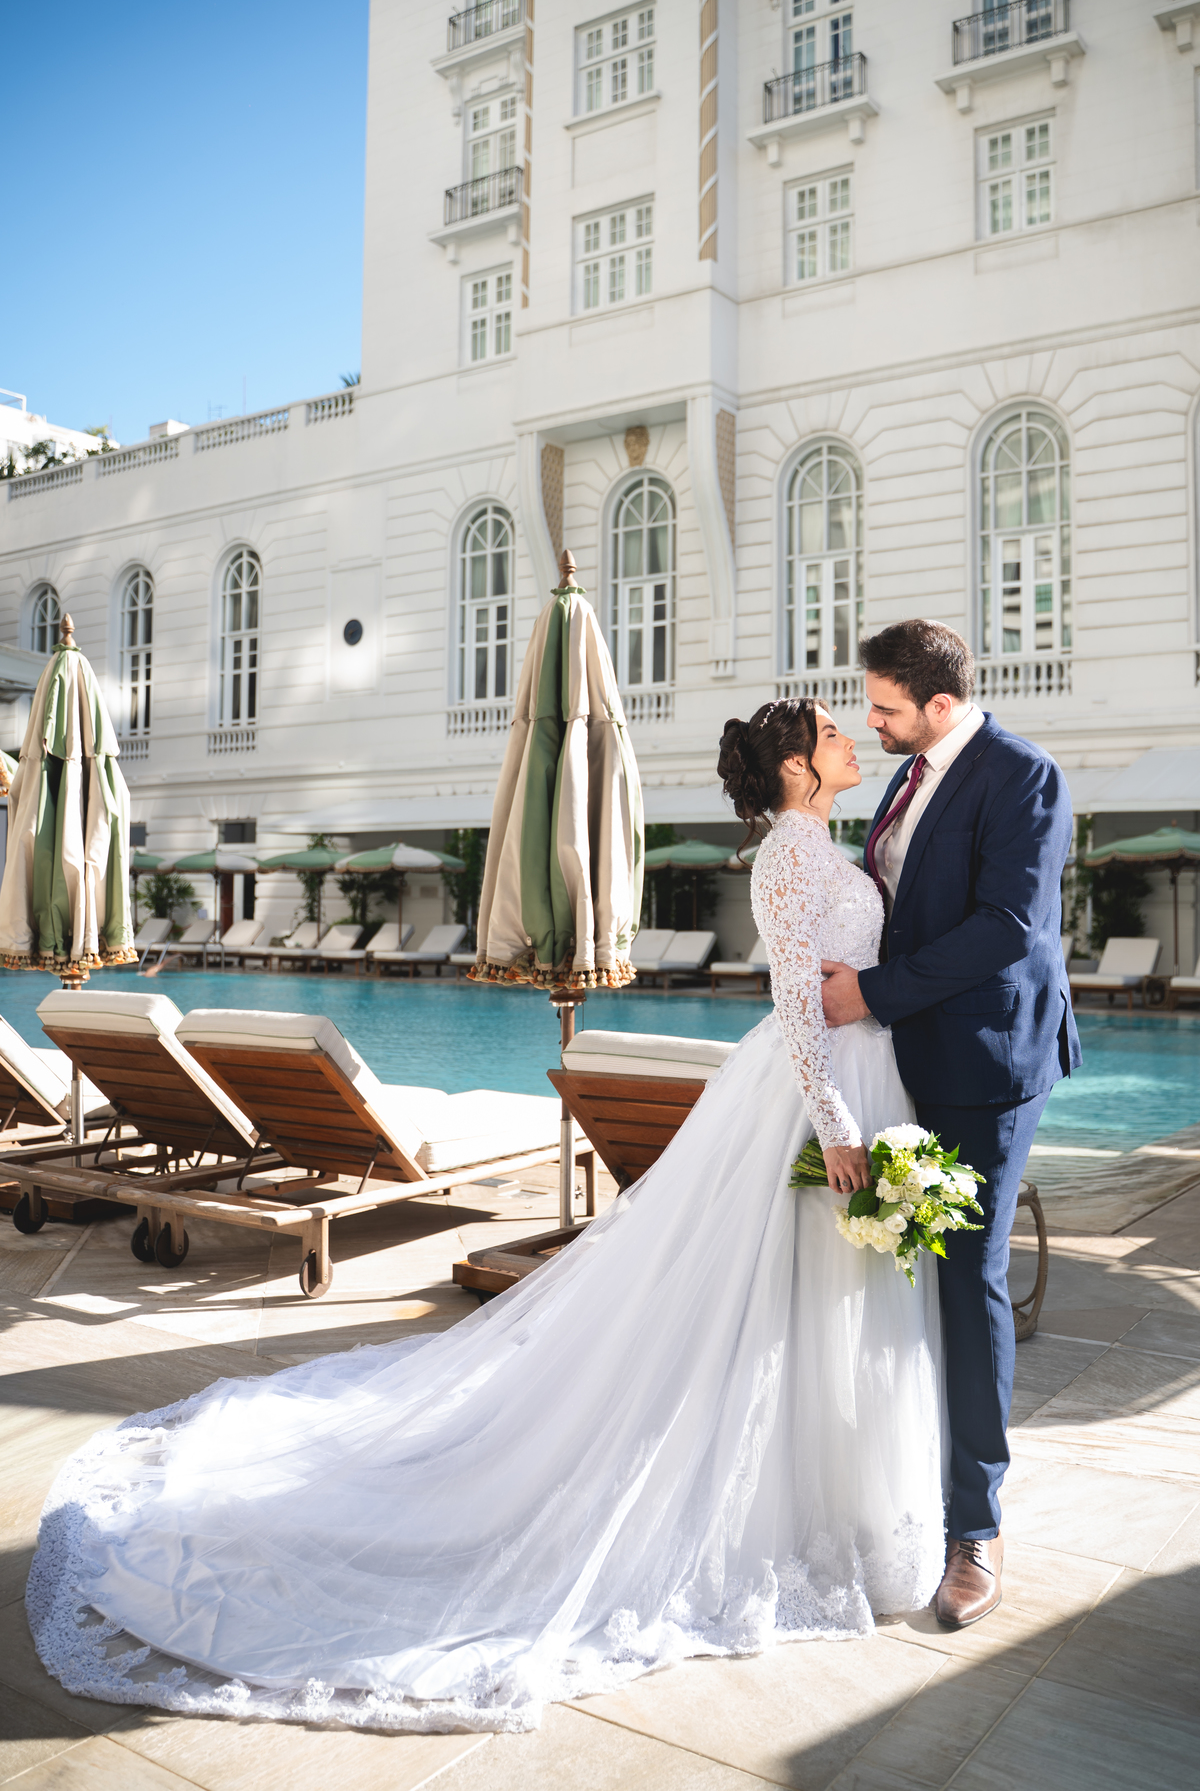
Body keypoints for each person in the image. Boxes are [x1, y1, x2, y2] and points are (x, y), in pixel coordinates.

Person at [29, 699, 947, 1737]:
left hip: (867, 1082)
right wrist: (830, 1119)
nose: (850, 740)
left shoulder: (831, 843)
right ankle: (788, 1510)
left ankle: (848, 1510)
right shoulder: (786, 859)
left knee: (826, 1306)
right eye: (833, 732)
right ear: (796, 767)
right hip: (813, 1097)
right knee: (771, 1301)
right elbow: (790, 995)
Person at [821, 619, 1079, 1629]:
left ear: (938, 701)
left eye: (885, 707)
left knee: (966, 1273)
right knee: (900, 1268)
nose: (871, 721)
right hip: (901, 1056)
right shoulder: (906, 772)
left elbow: (1007, 927)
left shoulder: (1025, 774)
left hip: (986, 1063)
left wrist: (872, 993)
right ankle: (901, 1477)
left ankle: (975, 1526)